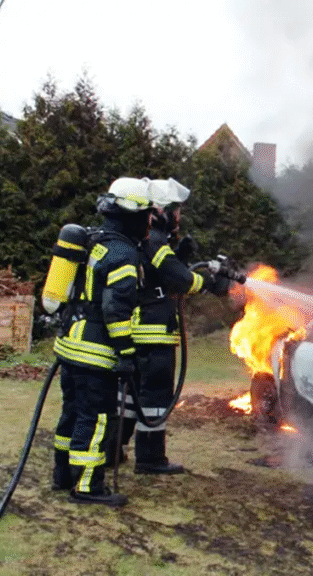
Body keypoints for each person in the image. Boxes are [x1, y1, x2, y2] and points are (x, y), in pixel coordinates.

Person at [51, 177, 155, 506]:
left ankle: (62, 474)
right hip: (96, 352)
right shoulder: (124, 255)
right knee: (96, 419)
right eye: (147, 214)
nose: (149, 222)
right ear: (132, 214)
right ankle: (87, 487)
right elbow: (116, 309)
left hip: (70, 344)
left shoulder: (95, 241)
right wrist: (126, 354)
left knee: (72, 412)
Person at [117, 177, 230, 474]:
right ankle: (151, 458)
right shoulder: (155, 241)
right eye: (175, 211)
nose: (179, 217)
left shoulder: (147, 240)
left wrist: (181, 255)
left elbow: (161, 272)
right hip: (153, 335)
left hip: (138, 332)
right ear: (161, 212)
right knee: (154, 397)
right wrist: (210, 282)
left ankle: (113, 449)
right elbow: (178, 279)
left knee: (130, 397)